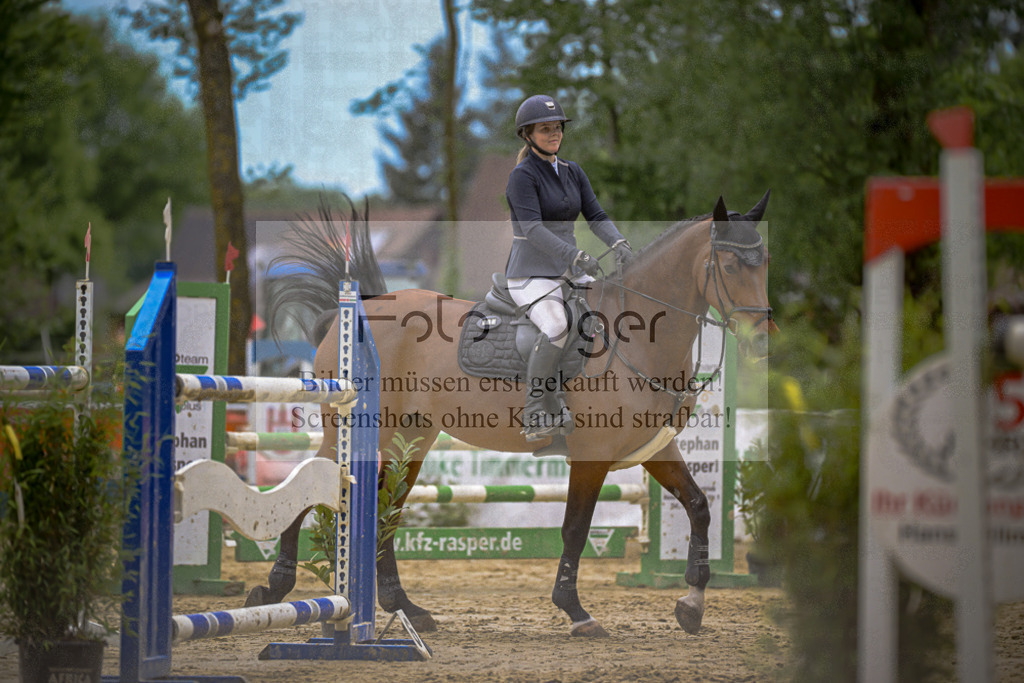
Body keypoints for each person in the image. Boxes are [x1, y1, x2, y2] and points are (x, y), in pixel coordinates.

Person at [504, 94, 634, 442]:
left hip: (567, 270)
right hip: (531, 273)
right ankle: (534, 410)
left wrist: (618, 242)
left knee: (609, 311)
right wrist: (574, 257)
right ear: (527, 135)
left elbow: (597, 216)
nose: (554, 134)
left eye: (557, 127)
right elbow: (532, 229)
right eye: (545, 129)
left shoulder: (572, 171)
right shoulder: (522, 177)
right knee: (558, 324)